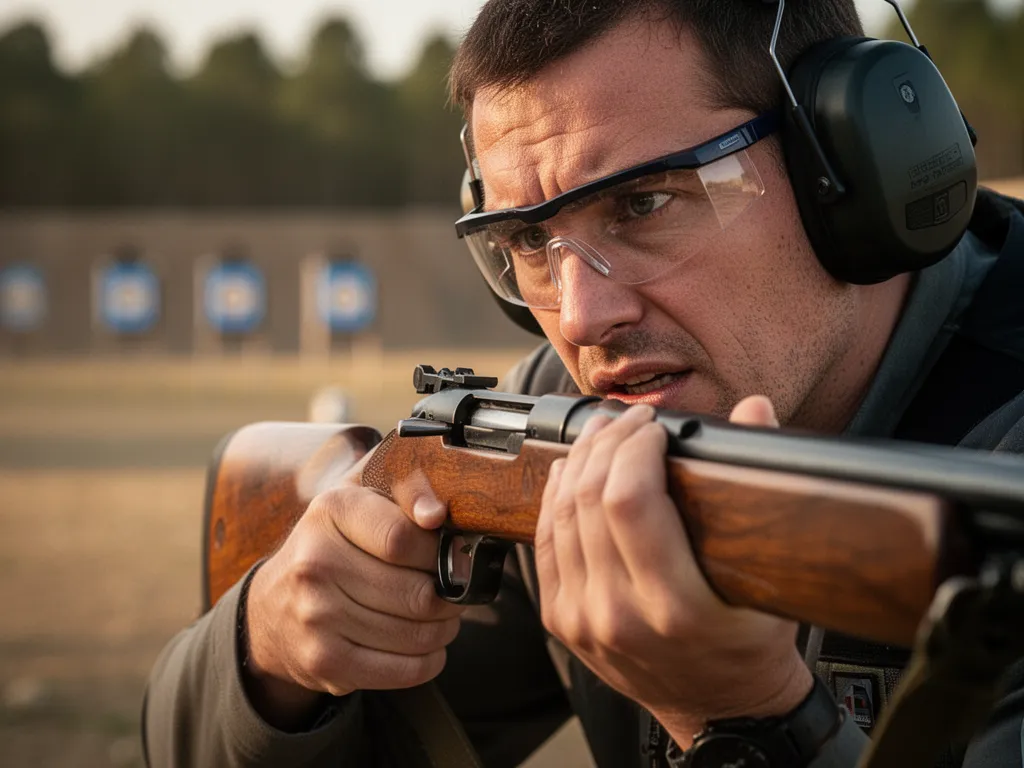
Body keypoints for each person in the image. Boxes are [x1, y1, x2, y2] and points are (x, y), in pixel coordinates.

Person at [142, 1, 1024, 766]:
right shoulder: (550, 429)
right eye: (528, 241)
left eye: (642, 205)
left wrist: (744, 718)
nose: (580, 315)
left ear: (847, 168)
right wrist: (271, 661)